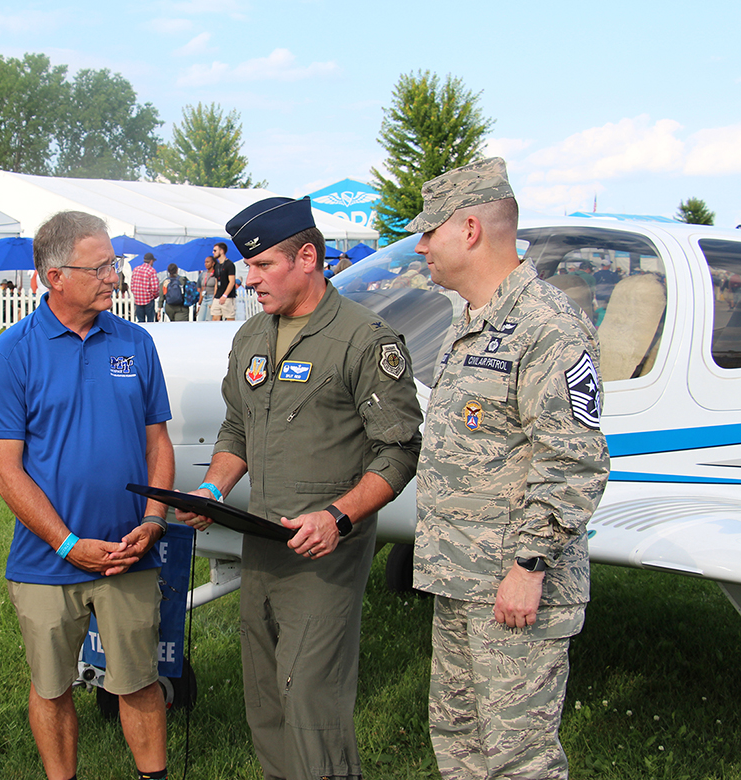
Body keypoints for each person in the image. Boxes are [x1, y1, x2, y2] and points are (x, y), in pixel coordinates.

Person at [178, 197, 423, 780]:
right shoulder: (251, 336)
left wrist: (337, 517)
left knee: (311, 699)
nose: (249, 279)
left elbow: (399, 450)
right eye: (246, 264)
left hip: (325, 552)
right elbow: (236, 425)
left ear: (307, 257)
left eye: (262, 265)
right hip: (263, 538)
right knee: (265, 698)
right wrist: (212, 491)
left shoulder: (365, 340)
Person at [407, 157, 610, 780]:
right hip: (460, 576)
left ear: (469, 229)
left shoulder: (549, 327)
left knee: (520, 760)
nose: (421, 246)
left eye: (429, 230)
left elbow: (573, 459)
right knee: (460, 745)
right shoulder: (469, 322)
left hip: (514, 585)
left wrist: (528, 566)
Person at [0, 211, 174, 780]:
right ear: (54, 276)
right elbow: (4, 469)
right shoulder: (13, 352)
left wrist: (155, 517)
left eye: (115, 264)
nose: (115, 276)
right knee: (51, 685)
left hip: (129, 553)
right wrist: (66, 545)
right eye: (102, 266)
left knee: (139, 681)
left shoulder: (136, 342)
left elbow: (157, 441)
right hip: (45, 561)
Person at [211, 242, 237, 321]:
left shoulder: (229, 264)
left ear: (221, 251)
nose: (213, 252)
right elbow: (216, 282)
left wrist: (225, 295)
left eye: (215, 250)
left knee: (229, 318)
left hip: (228, 297)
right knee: (215, 317)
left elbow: (232, 282)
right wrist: (215, 295)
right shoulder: (217, 265)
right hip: (218, 296)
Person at [132, 251, 160, 323]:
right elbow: (155, 288)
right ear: (151, 261)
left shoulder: (136, 269)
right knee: (150, 321)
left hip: (138, 299)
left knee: (141, 321)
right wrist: (154, 295)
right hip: (148, 299)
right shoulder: (151, 271)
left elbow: (132, 285)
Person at [198, 254, 217, 321]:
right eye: (205, 262)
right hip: (204, 297)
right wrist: (199, 303)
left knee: (208, 318)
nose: (206, 264)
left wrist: (214, 300)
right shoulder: (203, 274)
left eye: (208, 262)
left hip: (211, 297)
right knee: (200, 318)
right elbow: (202, 288)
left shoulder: (216, 274)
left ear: (213, 263)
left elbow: (216, 287)